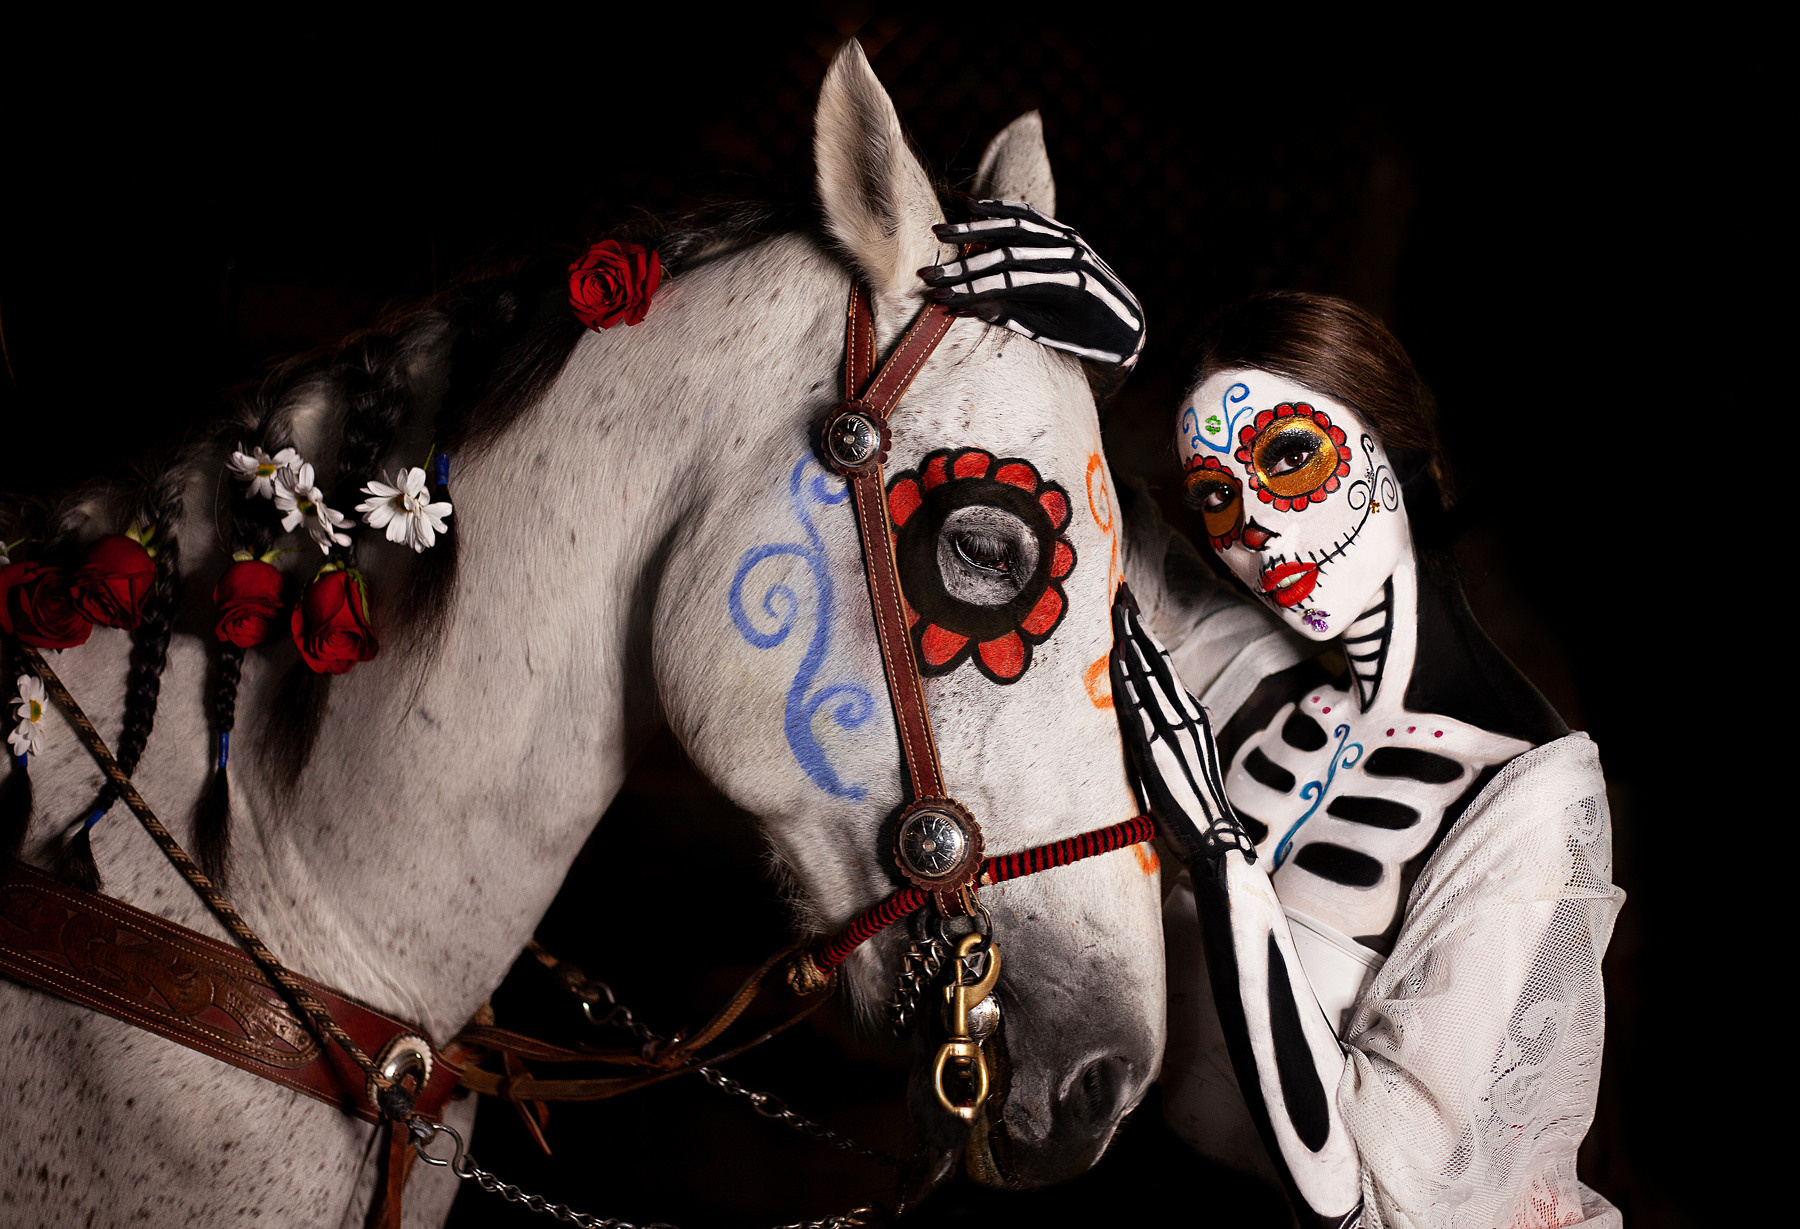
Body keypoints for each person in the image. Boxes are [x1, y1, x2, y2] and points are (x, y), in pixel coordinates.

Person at [927, 214, 1623, 1228]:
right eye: (1218, 494)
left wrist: (1218, 848)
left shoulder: (1525, 800)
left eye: (1290, 458)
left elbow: (1363, 1190)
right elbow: (1087, 518)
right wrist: (1088, 357)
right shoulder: (1265, 680)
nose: (1253, 526)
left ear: (1398, 447)